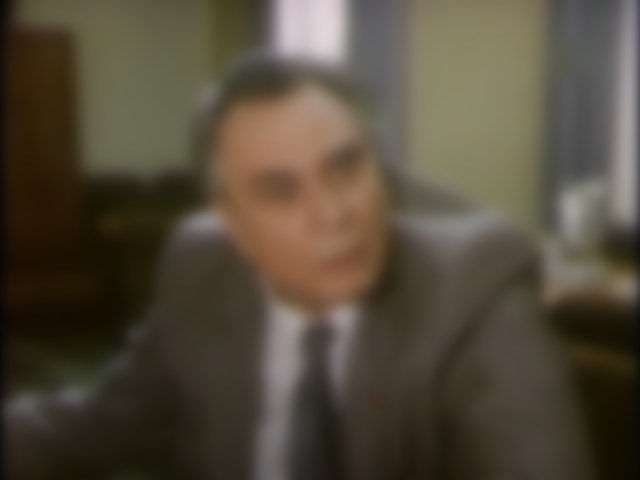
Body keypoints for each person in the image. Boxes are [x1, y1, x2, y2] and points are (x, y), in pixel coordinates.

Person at [5, 52, 593, 480]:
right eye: (281, 191)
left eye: (346, 167)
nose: (334, 214)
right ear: (232, 225)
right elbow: (93, 427)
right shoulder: (200, 268)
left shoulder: (474, 291)